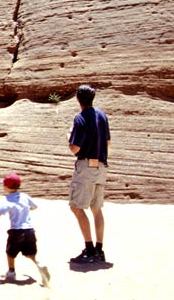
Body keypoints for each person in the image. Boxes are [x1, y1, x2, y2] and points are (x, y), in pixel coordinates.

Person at [68, 84, 111, 264]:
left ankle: (89, 250)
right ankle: (99, 251)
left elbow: (74, 148)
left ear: (78, 99)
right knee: (96, 208)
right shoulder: (102, 116)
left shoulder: (80, 118)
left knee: (77, 207)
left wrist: (69, 137)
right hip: (101, 167)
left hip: (86, 167)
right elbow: (108, 142)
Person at [0, 173, 51, 287]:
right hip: (29, 230)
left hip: (16, 231)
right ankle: (40, 265)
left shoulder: (7, 200)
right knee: (31, 253)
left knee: (10, 252)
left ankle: (11, 271)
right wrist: (26, 209)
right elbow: (35, 206)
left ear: (7, 187)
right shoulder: (25, 196)